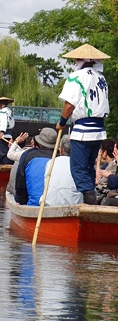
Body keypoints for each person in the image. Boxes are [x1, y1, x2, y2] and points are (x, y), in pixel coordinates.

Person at [56, 44, 110, 205]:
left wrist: (61, 122)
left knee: (78, 168)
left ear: (81, 60)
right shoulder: (101, 77)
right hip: (99, 130)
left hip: (83, 130)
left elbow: (69, 104)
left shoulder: (77, 76)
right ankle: (90, 198)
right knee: (88, 167)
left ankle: (90, 202)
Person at [15, 127, 57, 205]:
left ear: (40, 143)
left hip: (34, 204)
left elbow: (20, 183)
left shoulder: (29, 156)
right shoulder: (58, 158)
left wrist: (21, 202)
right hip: (55, 203)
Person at [42, 135, 84, 206]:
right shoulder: (81, 166)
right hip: (74, 206)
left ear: (61, 150)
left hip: (50, 204)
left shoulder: (50, 163)